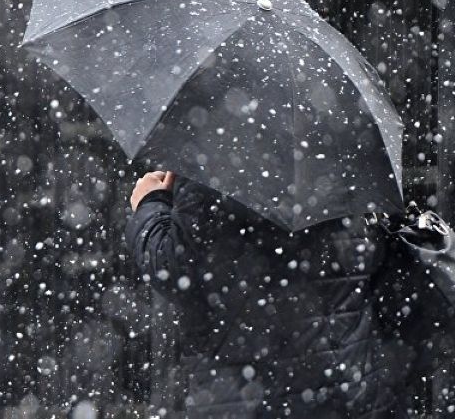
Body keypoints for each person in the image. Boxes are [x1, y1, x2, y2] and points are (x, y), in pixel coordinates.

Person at [124, 171, 409, 418]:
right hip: (347, 384)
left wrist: (151, 204)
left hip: (247, 394)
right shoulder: (348, 150)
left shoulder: (216, 159)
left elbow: (174, 269)